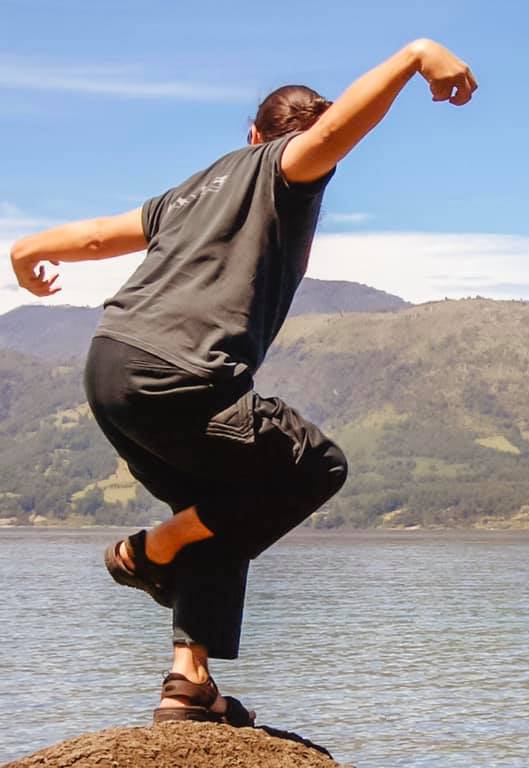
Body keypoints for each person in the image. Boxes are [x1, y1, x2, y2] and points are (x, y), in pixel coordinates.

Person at [9, 38, 477, 725]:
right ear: (284, 141)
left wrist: (25, 251)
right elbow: (339, 128)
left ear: (250, 131)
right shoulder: (285, 169)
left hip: (110, 366)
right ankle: (149, 550)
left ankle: (188, 680)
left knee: (216, 510)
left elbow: (96, 238)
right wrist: (415, 57)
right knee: (316, 467)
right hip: (181, 371)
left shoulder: (191, 191)